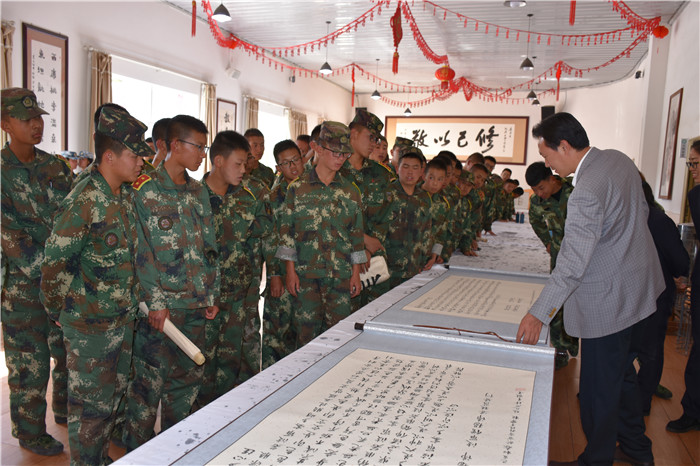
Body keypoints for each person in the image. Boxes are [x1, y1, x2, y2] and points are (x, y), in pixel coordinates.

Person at [516, 112, 663, 466]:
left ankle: (595, 460)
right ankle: (637, 449)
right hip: (639, 291)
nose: (547, 164)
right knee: (622, 375)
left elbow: (571, 264)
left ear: (564, 146)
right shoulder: (618, 159)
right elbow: (640, 213)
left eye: (547, 155)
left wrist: (539, 314)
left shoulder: (584, 193)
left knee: (598, 389)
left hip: (607, 303)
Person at [40, 106, 153, 465]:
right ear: (109, 156)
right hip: (90, 326)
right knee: (90, 413)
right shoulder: (85, 198)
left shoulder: (122, 193)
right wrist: (59, 311)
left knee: (110, 404)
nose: (141, 162)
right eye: (135, 155)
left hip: (120, 320)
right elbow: (56, 261)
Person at [124, 115, 220, 451]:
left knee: (186, 386)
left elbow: (209, 247)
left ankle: (175, 451)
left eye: (205, 148)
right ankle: (137, 454)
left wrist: (211, 294)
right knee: (147, 388)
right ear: (175, 145)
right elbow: (141, 253)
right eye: (198, 147)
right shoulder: (144, 190)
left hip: (194, 306)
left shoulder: (198, 190)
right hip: (160, 312)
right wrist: (156, 302)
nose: (203, 155)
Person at [1, 87, 72, 456]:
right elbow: (10, 236)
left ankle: (65, 408)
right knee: (29, 363)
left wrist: (66, 274)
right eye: (25, 118)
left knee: (67, 351)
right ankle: (30, 433)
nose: (36, 124)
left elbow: (72, 220)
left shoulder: (55, 167)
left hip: (61, 281)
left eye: (38, 117)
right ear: (5, 123)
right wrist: (48, 277)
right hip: (23, 289)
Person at [275, 121, 366, 349]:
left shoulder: (350, 191)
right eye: (335, 152)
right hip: (306, 276)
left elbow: (356, 236)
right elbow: (287, 235)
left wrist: (355, 273)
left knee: (339, 338)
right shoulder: (297, 189)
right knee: (306, 338)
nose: (340, 158)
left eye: (344, 154)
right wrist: (289, 272)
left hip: (340, 276)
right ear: (318, 148)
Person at [199, 130, 272, 404]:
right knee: (201, 369)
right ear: (218, 161)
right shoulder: (194, 199)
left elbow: (262, 239)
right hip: (203, 302)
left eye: (246, 163)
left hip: (237, 299)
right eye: (238, 164)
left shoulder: (248, 197)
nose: (244, 170)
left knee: (229, 367)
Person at [635, 178, 688, 415]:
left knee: (639, 351)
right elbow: (680, 262)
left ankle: (635, 403)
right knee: (650, 353)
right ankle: (640, 404)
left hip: (639, 297)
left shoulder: (644, 220)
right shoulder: (657, 220)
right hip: (655, 296)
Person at [525, 161, 579, 368]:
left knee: (579, 300)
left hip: (583, 253)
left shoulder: (575, 189)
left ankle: (576, 341)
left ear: (552, 179)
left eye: (541, 187)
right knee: (558, 300)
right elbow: (535, 220)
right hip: (559, 253)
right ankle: (560, 349)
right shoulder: (537, 201)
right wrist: (547, 241)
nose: (540, 193)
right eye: (535, 189)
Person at [666, 139, 700, 433]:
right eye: (690, 163)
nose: (692, 169)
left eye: (696, 163)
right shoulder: (696, 195)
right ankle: (693, 410)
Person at [262, 139, 304, 369]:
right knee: (277, 331)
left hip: (309, 272)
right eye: (286, 163)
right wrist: (274, 275)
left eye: (296, 160)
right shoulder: (274, 197)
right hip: (282, 271)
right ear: (278, 167)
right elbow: (270, 239)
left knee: (303, 331)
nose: (293, 166)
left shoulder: (314, 190)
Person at [370, 152, 438, 288]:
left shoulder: (424, 198)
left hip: (415, 269)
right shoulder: (386, 194)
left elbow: (428, 230)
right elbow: (373, 230)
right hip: (386, 271)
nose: (410, 172)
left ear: (421, 172)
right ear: (397, 169)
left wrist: (429, 255)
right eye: (406, 167)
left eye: (415, 168)